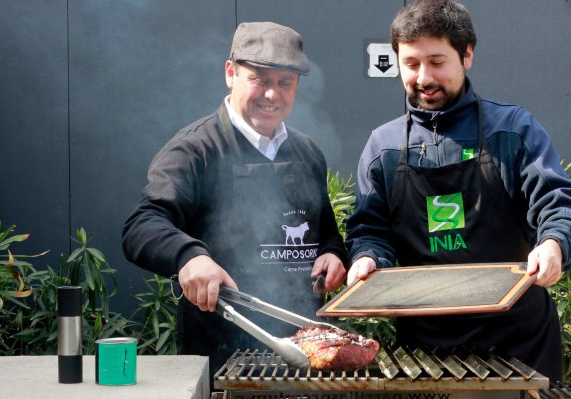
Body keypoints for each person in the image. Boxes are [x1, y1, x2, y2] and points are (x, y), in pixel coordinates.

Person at [346, 0, 571, 382]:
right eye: (411, 63)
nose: (422, 78)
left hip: (517, 340)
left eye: (437, 62)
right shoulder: (382, 147)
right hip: (424, 347)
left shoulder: (512, 129)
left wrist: (554, 242)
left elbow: (555, 203)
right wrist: (368, 258)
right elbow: (370, 230)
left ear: (467, 55)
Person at [122, 21, 348, 382]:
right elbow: (142, 224)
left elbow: (327, 236)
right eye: (259, 79)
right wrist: (189, 257)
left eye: (284, 82)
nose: (272, 94)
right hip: (222, 358)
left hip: (305, 352)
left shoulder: (307, 153)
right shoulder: (195, 149)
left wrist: (334, 255)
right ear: (231, 73)